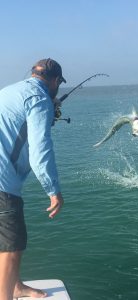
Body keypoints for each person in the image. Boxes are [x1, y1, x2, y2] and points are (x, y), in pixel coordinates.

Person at [0, 58, 65, 299]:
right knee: (11, 247)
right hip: (2, 184)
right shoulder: (39, 100)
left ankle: (15, 286)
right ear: (55, 80)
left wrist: (47, 114)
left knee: (5, 241)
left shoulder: (8, 91)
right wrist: (53, 190)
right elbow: (40, 151)